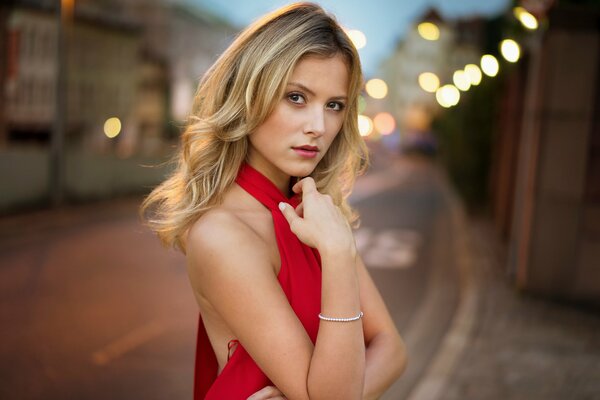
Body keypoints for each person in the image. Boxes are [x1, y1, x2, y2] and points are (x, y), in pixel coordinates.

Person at [141, 3, 406, 399]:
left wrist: (335, 249)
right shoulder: (222, 235)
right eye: (297, 97)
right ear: (250, 95)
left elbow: (393, 348)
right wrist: (337, 253)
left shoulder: (315, 212)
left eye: (334, 105)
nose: (318, 126)